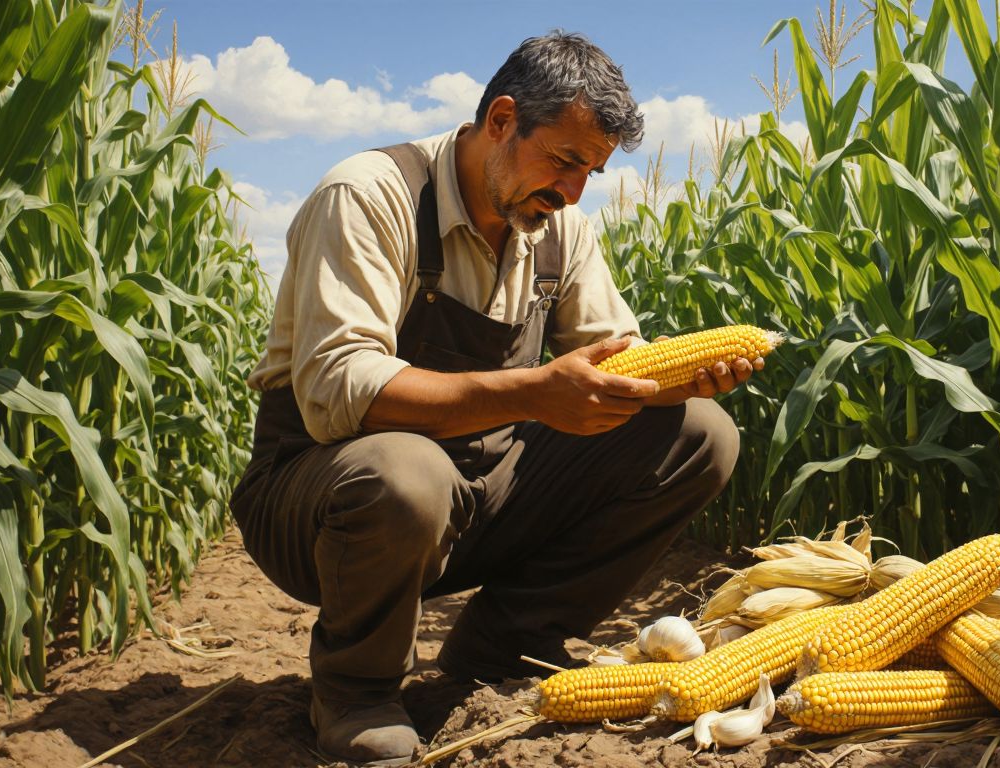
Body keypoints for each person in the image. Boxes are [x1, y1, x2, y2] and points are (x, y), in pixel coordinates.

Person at [230, 32, 761, 766]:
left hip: (479, 488)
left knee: (698, 434)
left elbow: (618, 355)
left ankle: (503, 640)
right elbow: (336, 388)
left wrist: (673, 380)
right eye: (566, 161)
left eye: (593, 172)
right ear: (503, 121)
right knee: (406, 474)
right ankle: (355, 688)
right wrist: (537, 393)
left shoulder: (557, 228)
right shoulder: (370, 195)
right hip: (325, 498)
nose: (575, 192)